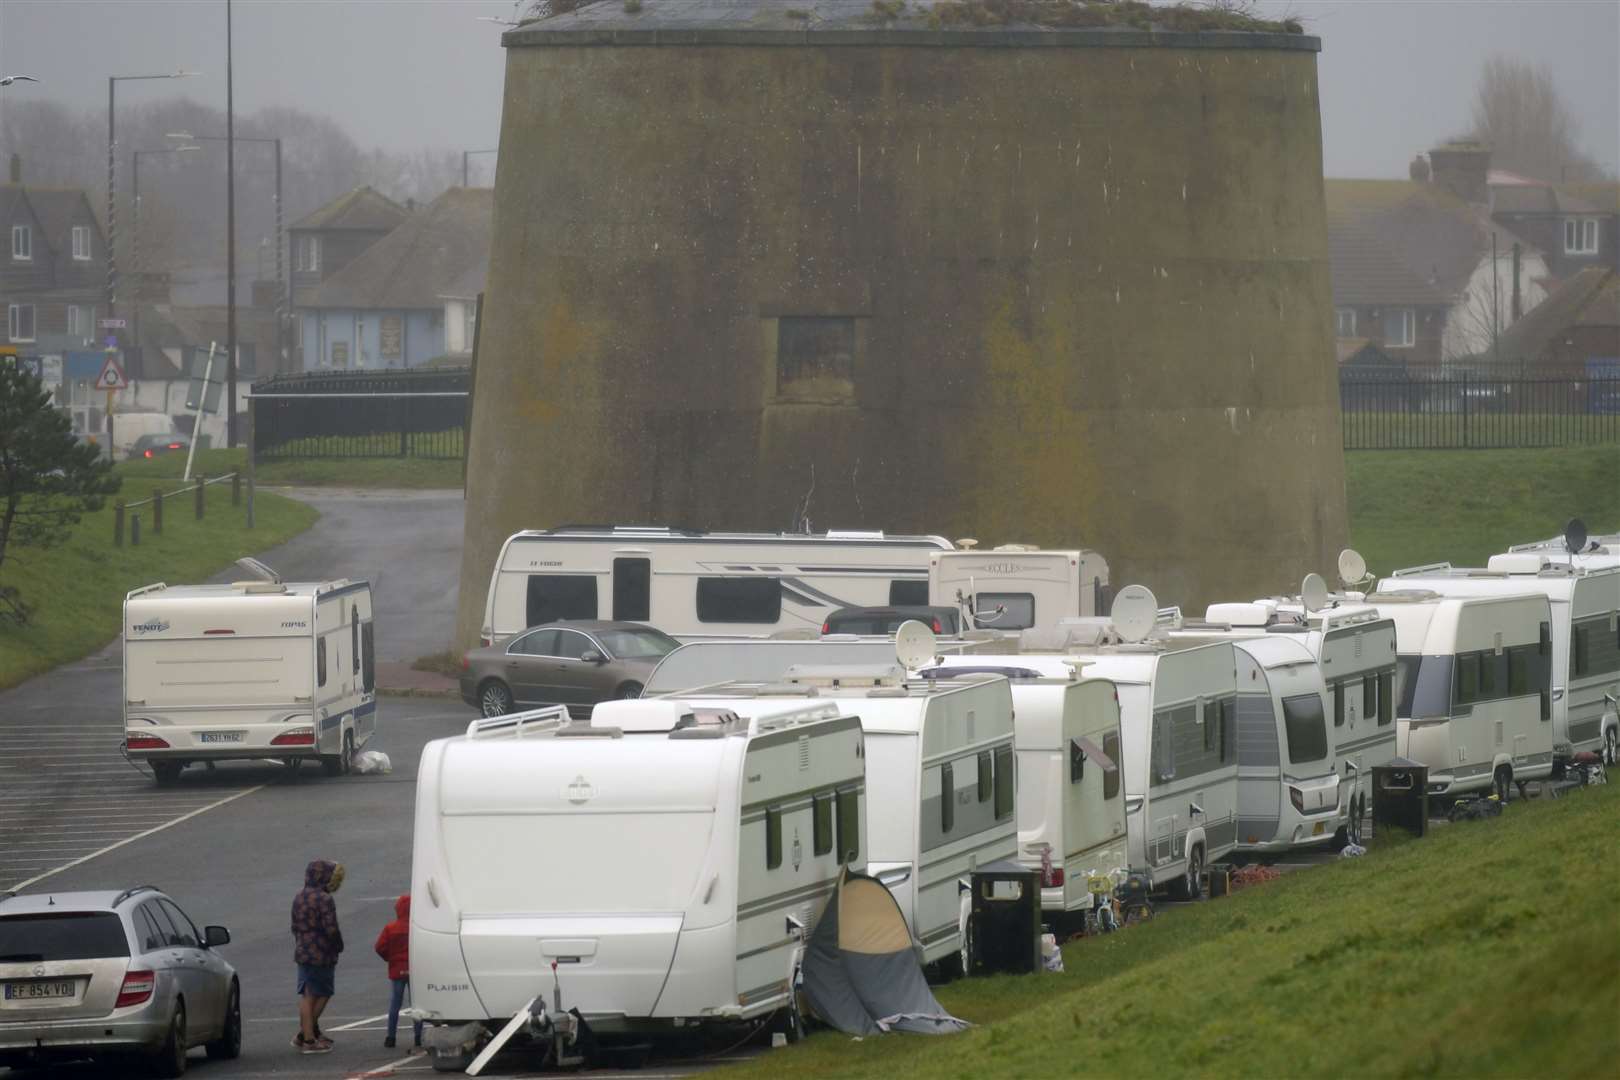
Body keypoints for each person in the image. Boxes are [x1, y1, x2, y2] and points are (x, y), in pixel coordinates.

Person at [291, 859, 346, 1054]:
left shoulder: (299, 896)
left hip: (303, 949)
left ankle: (307, 1032)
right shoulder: (324, 898)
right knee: (320, 993)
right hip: (321, 951)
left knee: (308, 992)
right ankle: (308, 1038)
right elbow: (331, 928)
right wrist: (338, 945)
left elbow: (294, 926)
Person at [374, 894, 424, 1051]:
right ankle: (418, 1037)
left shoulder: (390, 928)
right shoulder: (417, 927)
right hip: (414, 969)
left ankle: (391, 1037)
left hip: (397, 969)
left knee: (395, 1003)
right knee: (416, 1004)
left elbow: (379, 947)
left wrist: (390, 958)